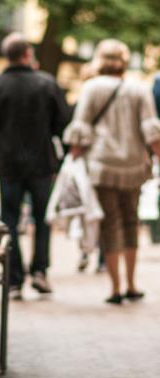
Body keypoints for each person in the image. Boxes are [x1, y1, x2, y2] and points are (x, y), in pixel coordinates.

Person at [0, 32, 70, 298]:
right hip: (42, 164)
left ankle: (14, 278)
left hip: (8, 165)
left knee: (11, 219)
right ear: (27, 54)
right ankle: (40, 271)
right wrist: (64, 156)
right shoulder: (47, 84)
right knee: (42, 218)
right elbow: (64, 124)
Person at [64, 39, 160, 304]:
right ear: (125, 61)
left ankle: (115, 288)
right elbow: (152, 129)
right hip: (133, 166)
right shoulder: (138, 88)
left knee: (110, 224)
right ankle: (132, 283)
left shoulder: (91, 88)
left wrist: (72, 162)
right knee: (131, 222)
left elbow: (80, 130)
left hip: (101, 166)